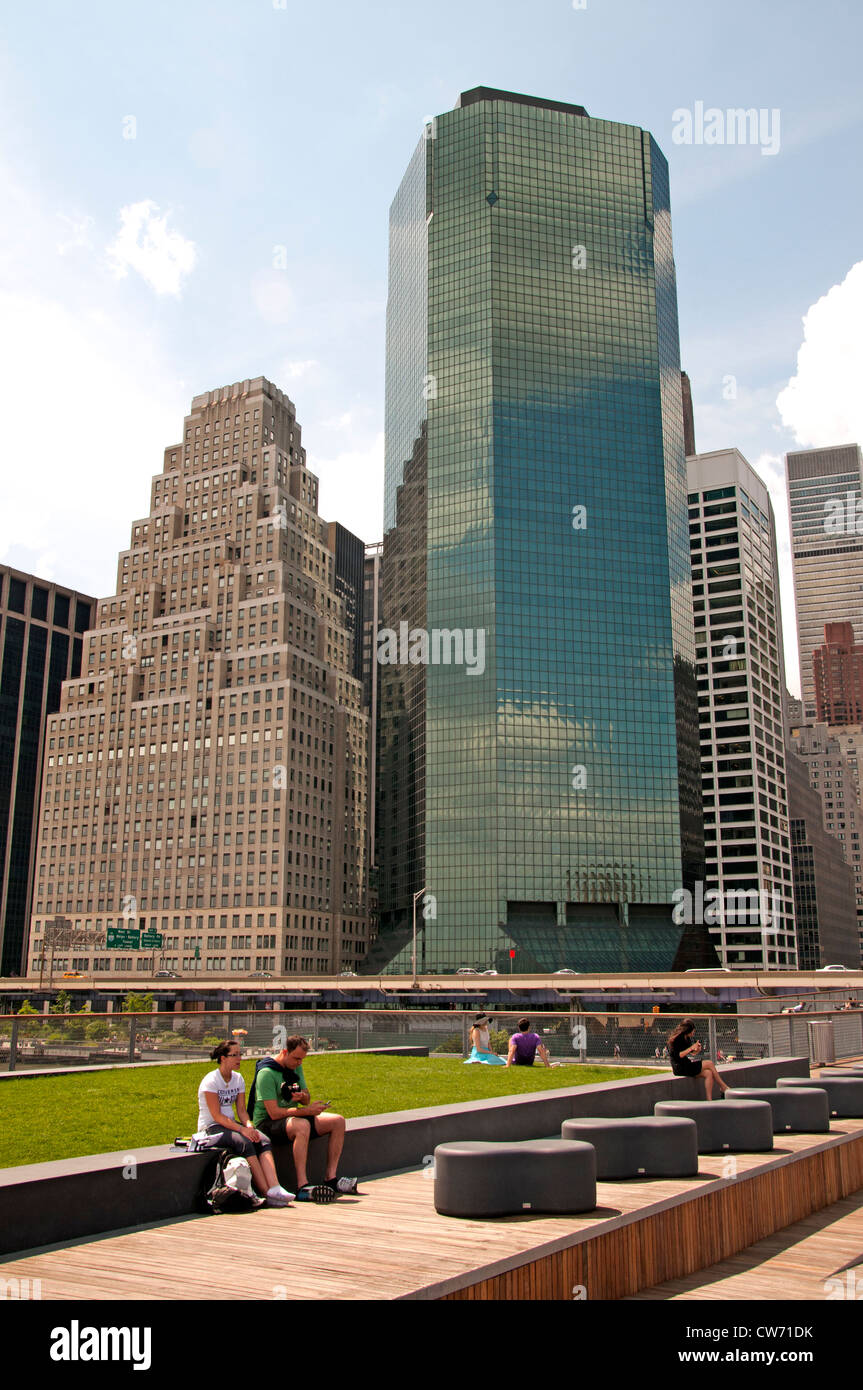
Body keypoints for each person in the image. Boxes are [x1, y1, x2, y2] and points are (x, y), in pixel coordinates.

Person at [249, 1035, 359, 1202]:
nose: (299, 1063)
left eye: (302, 1060)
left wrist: (303, 1097)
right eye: (296, 1059)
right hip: (267, 1123)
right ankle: (302, 1185)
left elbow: (306, 1098)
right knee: (302, 1126)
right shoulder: (267, 1073)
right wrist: (306, 1111)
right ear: (285, 1052)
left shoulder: (296, 1067)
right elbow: (274, 1113)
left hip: (290, 1117)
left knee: (338, 1121)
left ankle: (331, 1179)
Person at [196, 1041, 294, 1206]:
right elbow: (217, 1116)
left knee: (263, 1139)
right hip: (212, 1127)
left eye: (240, 1054)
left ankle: (275, 1187)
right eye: (234, 1055)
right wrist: (242, 1130)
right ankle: (265, 1192)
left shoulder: (238, 1079)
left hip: (232, 1124)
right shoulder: (211, 1081)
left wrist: (249, 1126)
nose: (239, 1058)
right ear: (223, 1058)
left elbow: (241, 1110)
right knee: (244, 1142)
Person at [667, 1019, 729, 1100]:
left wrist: (697, 1050)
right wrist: (691, 1048)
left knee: (708, 1073)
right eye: (693, 1031)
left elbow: (691, 1053)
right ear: (688, 1030)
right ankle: (723, 1086)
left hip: (686, 1065)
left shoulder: (687, 1038)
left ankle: (709, 1099)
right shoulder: (677, 1039)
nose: (694, 1033)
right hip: (680, 1068)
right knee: (709, 1063)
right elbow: (679, 1055)